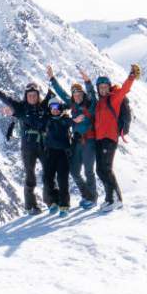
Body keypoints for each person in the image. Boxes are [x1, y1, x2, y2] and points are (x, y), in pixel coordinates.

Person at [0, 72, 49, 213]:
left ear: (38, 96)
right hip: (28, 147)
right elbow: (3, 97)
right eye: (29, 95)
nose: (32, 97)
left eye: (34, 95)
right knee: (30, 176)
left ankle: (51, 201)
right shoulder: (20, 107)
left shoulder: (43, 107)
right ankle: (30, 206)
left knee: (49, 173)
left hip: (43, 145)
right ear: (26, 96)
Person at [85, 64, 141, 207]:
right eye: (101, 87)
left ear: (109, 87)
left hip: (109, 139)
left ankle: (117, 199)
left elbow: (124, 90)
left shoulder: (114, 99)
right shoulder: (99, 103)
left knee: (106, 169)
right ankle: (110, 198)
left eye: (105, 87)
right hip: (99, 140)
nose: (103, 89)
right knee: (100, 170)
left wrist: (131, 77)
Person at [47, 69, 97, 207]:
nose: (77, 96)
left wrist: (87, 81)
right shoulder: (72, 104)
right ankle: (87, 195)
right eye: (74, 94)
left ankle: (92, 198)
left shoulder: (90, 104)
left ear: (83, 94)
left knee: (88, 171)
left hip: (89, 141)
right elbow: (62, 93)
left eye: (79, 94)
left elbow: (92, 93)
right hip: (76, 142)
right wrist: (52, 79)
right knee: (74, 171)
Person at [41, 99, 75, 214]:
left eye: (56, 107)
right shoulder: (47, 120)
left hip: (63, 153)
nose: (54, 109)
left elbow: (72, 120)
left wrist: (66, 109)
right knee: (47, 178)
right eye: (52, 107)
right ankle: (54, 201)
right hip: (50, 152)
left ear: (60, 108)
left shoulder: (65, 120)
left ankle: (64, 205)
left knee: (62, 180)